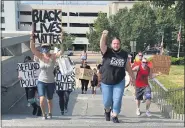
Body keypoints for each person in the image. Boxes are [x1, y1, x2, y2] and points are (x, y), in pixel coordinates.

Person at [100, 30, 135, 123]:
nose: (116, 45)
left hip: (119, 81)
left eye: (118, 43)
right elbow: (102, 45)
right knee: (107, 101)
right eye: (114, 43)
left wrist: (132, 77)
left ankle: (115, 114)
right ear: (111, 44)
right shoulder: (107, 51)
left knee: (117, 99)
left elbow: (127, 66)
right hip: (106, 81)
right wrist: (103, 36)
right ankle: (107, 110)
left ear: (120, 44)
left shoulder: (124, 53)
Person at [30, 34, 64, 120]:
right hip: (41, 81)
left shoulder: (53, 56)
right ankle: (43, 113)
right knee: (41, 99)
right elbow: (33, 49)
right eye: (43, 47)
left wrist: (62, 40)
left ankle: (50, 113)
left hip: (51, 82)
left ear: (49, 48)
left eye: (46, 47)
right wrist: (31, 38)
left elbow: (62, 51)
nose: (44, 48)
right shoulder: (40, 56)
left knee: (49, 99)